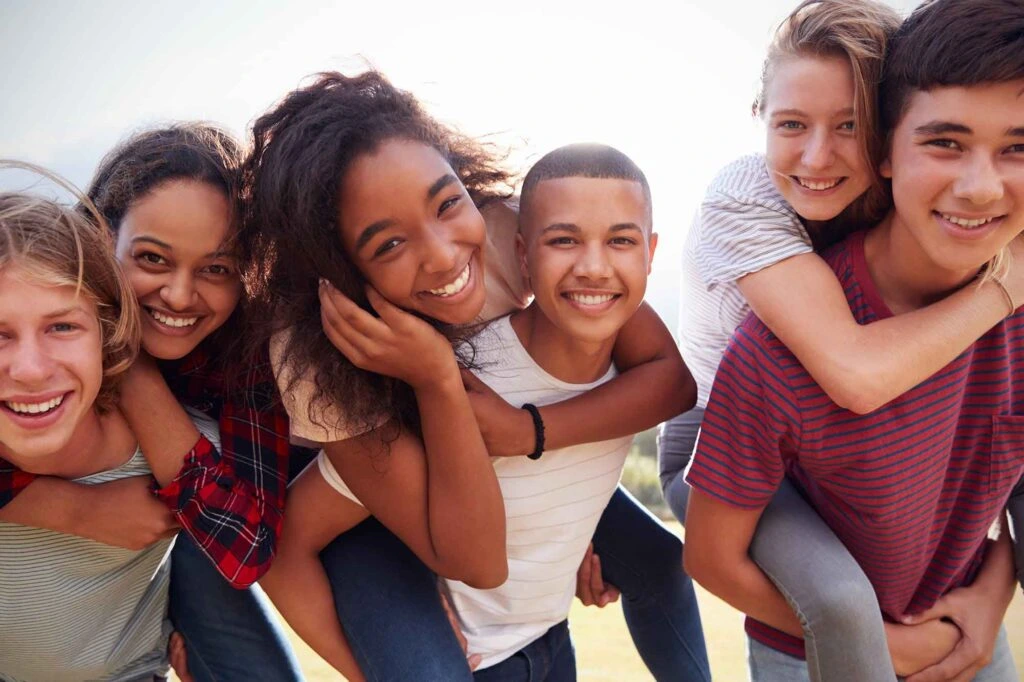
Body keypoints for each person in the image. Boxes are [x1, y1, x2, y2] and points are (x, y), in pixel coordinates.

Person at [245, 71, 708, 680]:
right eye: (388, 245)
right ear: (341, 267)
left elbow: (668, 378)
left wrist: (539, 450)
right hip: (380, 505)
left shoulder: (515, 237)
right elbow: (473, 559)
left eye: (447, 203)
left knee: (659, 563)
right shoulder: (318, 359)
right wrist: (437, 375)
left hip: (504, 453)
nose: (441, 254)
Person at [658, 1, 1024, 678]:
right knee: (839, 597)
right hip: (710, 433)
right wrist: (1008, 285)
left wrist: (992, 593)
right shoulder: (745, 202)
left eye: (849, 127)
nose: (818, 155)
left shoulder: (911, 204)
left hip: (867, 463)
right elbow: (852, 372)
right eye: (791, 125)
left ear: (882, 142)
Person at [0, 126, 303, 682]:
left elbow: (243, 548)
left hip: (185, 494)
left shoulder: (244, 362)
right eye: (152, 258)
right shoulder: (38, 362)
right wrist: (72, 509)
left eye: (217, 268)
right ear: (99, 239)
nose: (181, 295)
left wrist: (133, 368)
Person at [0, 168, 203, 681]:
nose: (29, 369)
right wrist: (75, 510)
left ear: (106, 333)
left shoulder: (169, 449)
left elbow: (244, 532)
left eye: (62, 326)